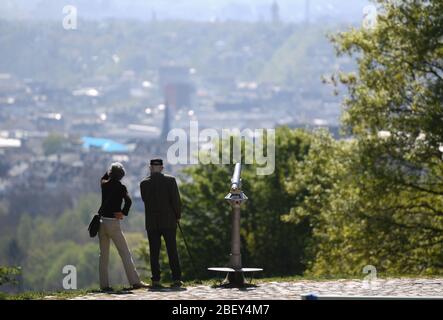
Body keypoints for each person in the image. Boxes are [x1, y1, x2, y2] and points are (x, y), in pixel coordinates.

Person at [98, 162, 148, 291]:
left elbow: (103, 178)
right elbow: (129, 201)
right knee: (125, 253)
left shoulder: (104, 184)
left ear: (110, 173)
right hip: (113, 223)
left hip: (102, 222)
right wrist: (123, 212)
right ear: (121, 176)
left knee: (103, 255)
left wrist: (109, 168)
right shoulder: (121, 187)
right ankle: (135, 282)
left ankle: (104, 285)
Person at [140, 158, 183, 288]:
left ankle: (156, 280)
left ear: (150, 168)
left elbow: (145, 200)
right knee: (172, 250)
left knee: (154, 252)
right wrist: (177, 215)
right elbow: (176, 201)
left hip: (152, 222)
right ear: (162, 168)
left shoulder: (144, 184)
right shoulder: (171, 181)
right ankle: (176, 279)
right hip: (169, 221)